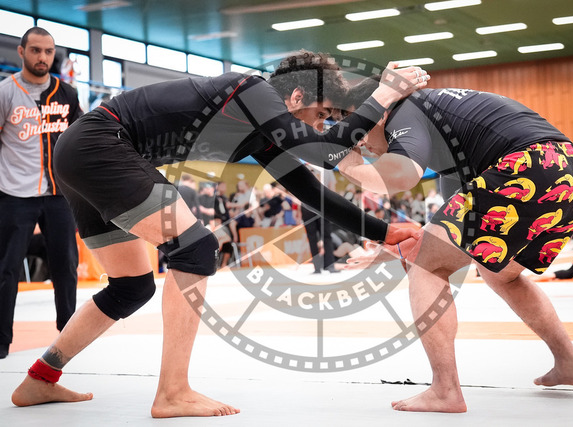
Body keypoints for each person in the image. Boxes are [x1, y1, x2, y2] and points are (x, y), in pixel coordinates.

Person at [10, 51, 428, 417]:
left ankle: (40, 378)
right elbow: (324, 152)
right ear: (296, 96)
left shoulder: (263, 134)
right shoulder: (252, 90)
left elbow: (312, 192)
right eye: (321, 115)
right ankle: (173, 392)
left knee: (131, 287)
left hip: (81, 152)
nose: (322, 126)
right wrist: (383, 95)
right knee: (195, 250)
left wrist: (385, 232)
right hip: (100, 144)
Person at [339, 80, 573, 412]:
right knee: (500, 274)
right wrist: (394, 249)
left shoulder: (406, 110)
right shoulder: (446, 128)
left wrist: (347, 163)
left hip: (526, 165)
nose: (361, 142)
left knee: (426, 267)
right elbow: (447, 232)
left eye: (360, 128)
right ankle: (570, 362)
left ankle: (445, 390)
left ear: (381, 108)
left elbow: (399, 179)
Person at [0, 27, 82, 360]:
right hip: (14, 193)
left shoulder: (68, 94)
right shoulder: (5, 93)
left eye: (48, 51)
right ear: (21, 52)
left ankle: (70, 336)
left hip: (59, 194)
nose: (42, 57)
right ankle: (1, 341)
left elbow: (79, 140)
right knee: (6, 269)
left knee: (66, 265)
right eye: (35, 50)